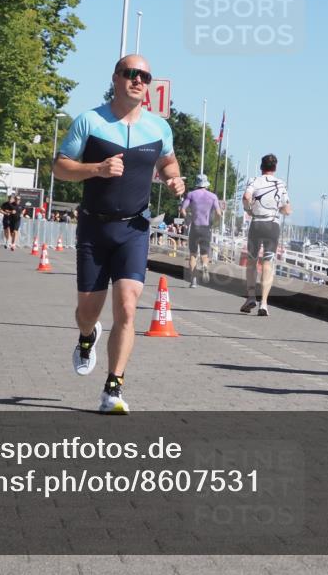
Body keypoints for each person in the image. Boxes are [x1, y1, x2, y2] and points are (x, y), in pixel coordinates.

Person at [53, 54, 184, 414]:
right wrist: (97, 168)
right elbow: (60, 168)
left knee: (127, 307)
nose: (138, 80)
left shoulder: (158, 128)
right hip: (95, 227)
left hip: (135, 228)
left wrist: (173, 177)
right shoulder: (90, 121)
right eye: (131, 73)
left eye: (144, 76)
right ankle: (86, 337)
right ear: (116, 78)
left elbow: (168, 160)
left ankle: (114, 387)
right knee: (87, 311)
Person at [241, 154, 292, 316]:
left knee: (252, 261)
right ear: (275, 168)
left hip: (257, 224)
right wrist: (279, 209)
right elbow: (287, 209)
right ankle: (264, 303)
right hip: (272, 225)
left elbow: (246, 197)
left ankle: (250, 297)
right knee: (268, 264)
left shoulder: (254, 180)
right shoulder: (281, 183)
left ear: (261, 167)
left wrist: (248, 209)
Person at [181, 174, 222, 288]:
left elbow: (183, 209)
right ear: (206, 184)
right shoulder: (213, 196)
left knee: (193, 255)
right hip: (206, 227)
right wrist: (214, 223)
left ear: (197, 183)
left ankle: (193, 281)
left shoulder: (191, 194)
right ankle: (204, 264)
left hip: (195, 227)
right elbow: (219, 213)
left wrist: (188, 219)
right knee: (204, 253)